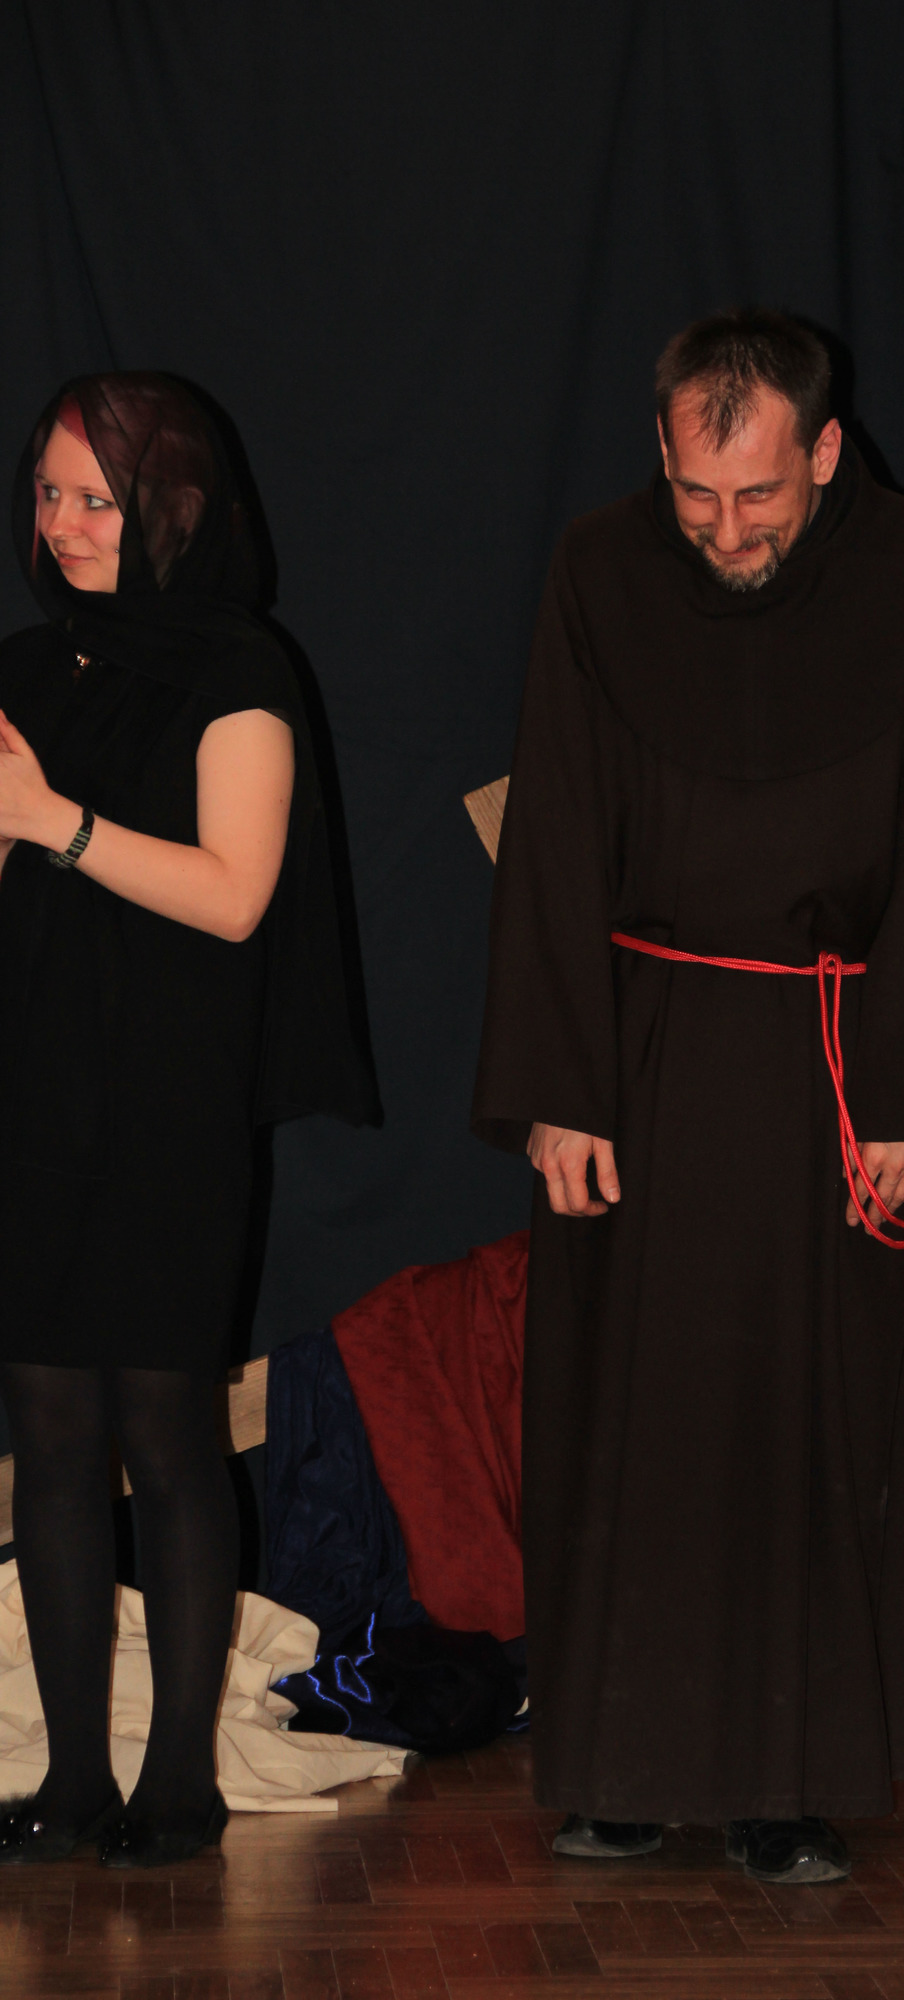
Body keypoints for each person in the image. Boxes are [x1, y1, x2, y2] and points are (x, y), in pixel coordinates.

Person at [473, 311, 904, 1884]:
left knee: (807, 1421)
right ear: (661, 451)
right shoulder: (600, 568)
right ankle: (621, 1766)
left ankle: (791, 1781)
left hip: (837, 1065)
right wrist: (558, 1086)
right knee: (630, 1423)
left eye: (759, 496)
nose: (723, 531)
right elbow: (556, 825)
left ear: (825, 453)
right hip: (637, 1060)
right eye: (696, 495)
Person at [0, 374, 375, 1867]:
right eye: (48, 492)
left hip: (167, 1106)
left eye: (97, 498)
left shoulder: (241, 669)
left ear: (173, 507)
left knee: (164, 1429)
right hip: (31, 1092)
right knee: (46, 1434)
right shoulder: (22, 671)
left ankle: (177, 1781)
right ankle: (72, 1780)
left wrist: (53, 823)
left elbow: (232, 899)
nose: (65, 523)